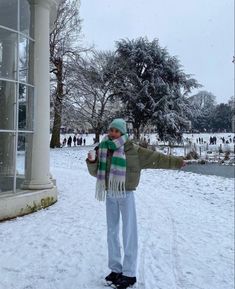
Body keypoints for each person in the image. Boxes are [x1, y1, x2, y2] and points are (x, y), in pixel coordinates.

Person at [86, 118, 185, 289]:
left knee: (129, 232)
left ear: (123, 133)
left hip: (126, 193)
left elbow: (157, 158)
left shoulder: (134, 150)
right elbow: (96, 173)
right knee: (112, 232)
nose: (113, 133)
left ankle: (129, 274)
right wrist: (92, 161)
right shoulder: (102, 148)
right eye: (111, 130)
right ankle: (115, 269)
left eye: (116, 131)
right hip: (110, 193)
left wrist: (176, 162)